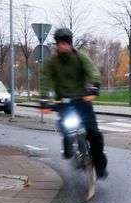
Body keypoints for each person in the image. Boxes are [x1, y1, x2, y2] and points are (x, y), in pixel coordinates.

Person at [42, 28, 108, 178]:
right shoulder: (52, 62)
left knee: (95, 135)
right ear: (56, 45)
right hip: (63, 101)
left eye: (66, 43)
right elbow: (45, 80)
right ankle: (67, 143)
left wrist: (93, 88)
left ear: (71, 44)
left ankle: (100, 166)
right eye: (60, 44)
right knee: (65, 126)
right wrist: (44, 100)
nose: (63, 46)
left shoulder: (80, 57)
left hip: (82, 100)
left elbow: (93, 71)